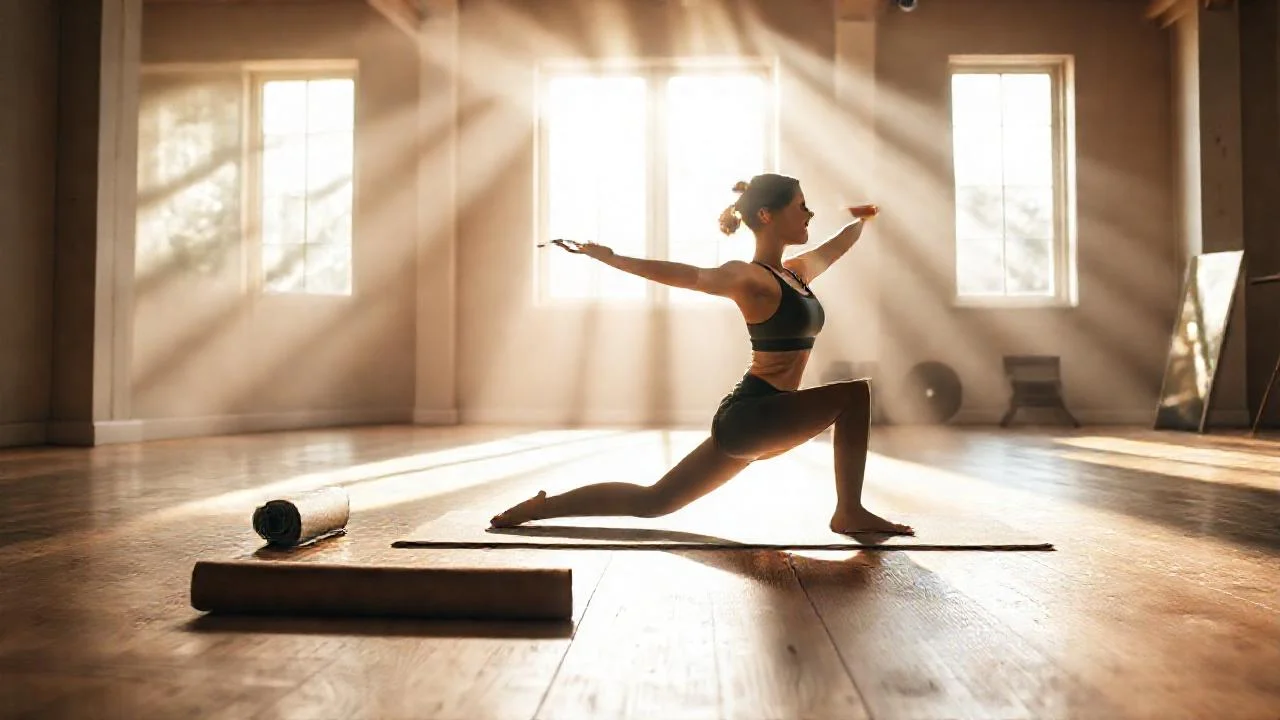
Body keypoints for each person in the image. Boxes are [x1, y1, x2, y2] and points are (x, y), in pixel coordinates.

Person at [490, 173, 913, 536]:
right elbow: (688, 276)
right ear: (767, 215)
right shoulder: (748, 277)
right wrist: (613, 259)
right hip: (754, 415)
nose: (810, 214)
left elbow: (838, 246)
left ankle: (541, 507)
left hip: (763, 416)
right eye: (801, 206)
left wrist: (865, 219)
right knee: (854, 395)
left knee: (654, 501)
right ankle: (849, 512)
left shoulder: (794, 273)